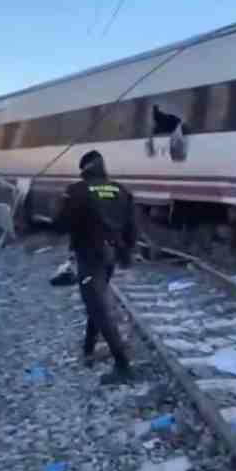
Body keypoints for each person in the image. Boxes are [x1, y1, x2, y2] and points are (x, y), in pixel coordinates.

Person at [54, 150, 139, 385]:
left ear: (84, 171)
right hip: (111, 256)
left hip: (90, 255)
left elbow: (61, 225)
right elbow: (132, 227)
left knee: (98, 307)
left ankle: (123, 365)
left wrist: (61, 208)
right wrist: (127, 253)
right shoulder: (121, 190)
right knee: (96, 301)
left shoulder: (78, 191)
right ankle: (89, 348)